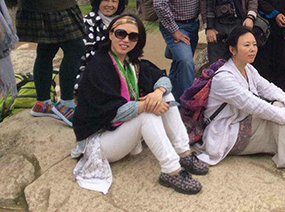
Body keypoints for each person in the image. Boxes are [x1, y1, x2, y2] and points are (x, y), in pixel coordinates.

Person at [72, 15, 206, 194]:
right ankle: (171, 170)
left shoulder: (132, 63)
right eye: (120, 33)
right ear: (110, 34)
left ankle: (184, 154)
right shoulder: (99, 66)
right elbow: (111, 113)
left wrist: (157, 93)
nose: (126, 40)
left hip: (119, 131)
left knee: (165, 95)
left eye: (132, 36)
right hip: (98, 139)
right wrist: (146, 106)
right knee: (147, 114)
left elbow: (163, 79)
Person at [196, 26, 285, 180]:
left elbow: (269, 89)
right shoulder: (224, 78)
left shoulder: (248, 69)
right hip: (227, 133)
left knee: (280, 107)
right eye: (246, 45)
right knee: (277, 119)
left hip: (242, 122)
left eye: (254, 45)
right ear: (232, 50)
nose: (252, 49)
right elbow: (255, 104)